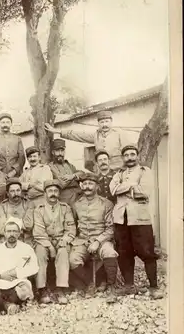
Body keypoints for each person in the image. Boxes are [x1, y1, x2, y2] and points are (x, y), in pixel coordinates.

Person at [110, 145, 163, 299]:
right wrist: (132, 186)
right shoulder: (118, 174)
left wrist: (123, 188)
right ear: (123, 158)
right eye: (126, 155)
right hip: (121, 219)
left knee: (147, 252)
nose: (130, 157)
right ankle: (128, 286)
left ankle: (153, 287)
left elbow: (144, 191)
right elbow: (112, 189)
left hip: (140, 219)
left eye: (132, 154)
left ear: (137, 156)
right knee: (124, 253)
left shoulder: (145, 172)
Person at [70, 172, 118, 302]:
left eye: (90, 184)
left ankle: (111, 286)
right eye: (84, 184)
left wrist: (98, 241)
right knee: (72, 259)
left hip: (102, 239)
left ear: (97, 186)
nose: (87, 187)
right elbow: (73, 225)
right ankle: (90, 283)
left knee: (110, 252)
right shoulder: (77, 204)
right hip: (82, 239)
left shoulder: (106, 204)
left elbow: (111, 228)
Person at [0, 217, 39, 316]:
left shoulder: (26, 248)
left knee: (24, 289)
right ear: (4, 233)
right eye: (9, 231)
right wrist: (0, 275)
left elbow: (34, 267)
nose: (11, 234)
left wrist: (16, 273)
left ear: (19, 233)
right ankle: (7, 305)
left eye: (14, 231)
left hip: (17, 283)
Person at [33, 179, 76, 305]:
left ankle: (60, 288)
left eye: (56, 191)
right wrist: (50, 247)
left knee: (63, 252)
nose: (53, 193)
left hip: (61, 239)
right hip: (44, 241)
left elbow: (71, 228)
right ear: (45, 193)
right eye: (50, 191)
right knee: (40, 253)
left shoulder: (65, 208)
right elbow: (39, 232)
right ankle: (42, 289)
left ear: (59, 193)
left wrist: (65, 240)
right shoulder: (39, 210)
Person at [45, 110, 129, 171]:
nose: (104, 125)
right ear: (98, 123)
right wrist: (58, 131)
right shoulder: (96, 135)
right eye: (102, 122)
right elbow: (78, 135)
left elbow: (128, 154)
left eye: (107, 121)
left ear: (111, 122)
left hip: (119, 171)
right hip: (102, 171)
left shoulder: (119, 134)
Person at [0, 112, 25, 178]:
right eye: (3, 122)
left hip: (15, 175)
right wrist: (0, 172)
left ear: (11, 124)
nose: (5, 125)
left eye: (8, 122)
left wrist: (14, 171)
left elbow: (21, 157)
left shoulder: (17, 138)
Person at [48, 138, 84, 207]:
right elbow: (62, 183)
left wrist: (72, 176)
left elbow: (83, 174)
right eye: (57, 151)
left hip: (80, 195)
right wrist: (76, 178)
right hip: (66, 199)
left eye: (62, 151)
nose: (60, 153)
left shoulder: (69, 164)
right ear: (53, 152)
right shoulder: (51, 166)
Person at [0, 178, 33, 245]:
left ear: (21, 191)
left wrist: (9, 222)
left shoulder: (28, 204)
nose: (16, 193)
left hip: (25, 239)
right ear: (7, 193)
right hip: (6, 239)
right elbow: (2, 229)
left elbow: (28, 225)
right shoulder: (2, 206)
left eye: (18, 190)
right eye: (12, 191)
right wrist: (21, 224)